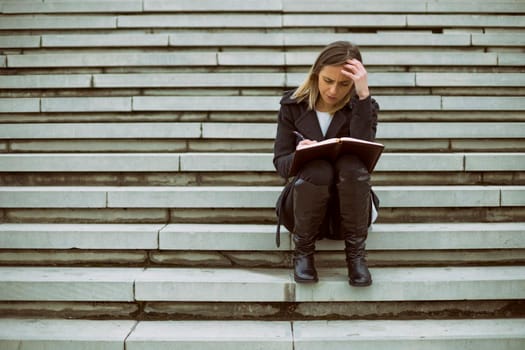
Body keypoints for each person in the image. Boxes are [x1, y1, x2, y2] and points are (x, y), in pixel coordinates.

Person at [273, 41, 379, 287]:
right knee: (318, 168)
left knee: (352, 165)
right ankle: (303, 253)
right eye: (327, 80)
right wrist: (300, 154)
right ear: (315, 74)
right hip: (305, 204)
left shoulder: (363, 107)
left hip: (349, 207)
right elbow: (281, 164)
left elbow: (365, 161)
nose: (333, 91)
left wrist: (363, 96)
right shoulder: (292, 106)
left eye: (344, 84)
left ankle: (356, 258)